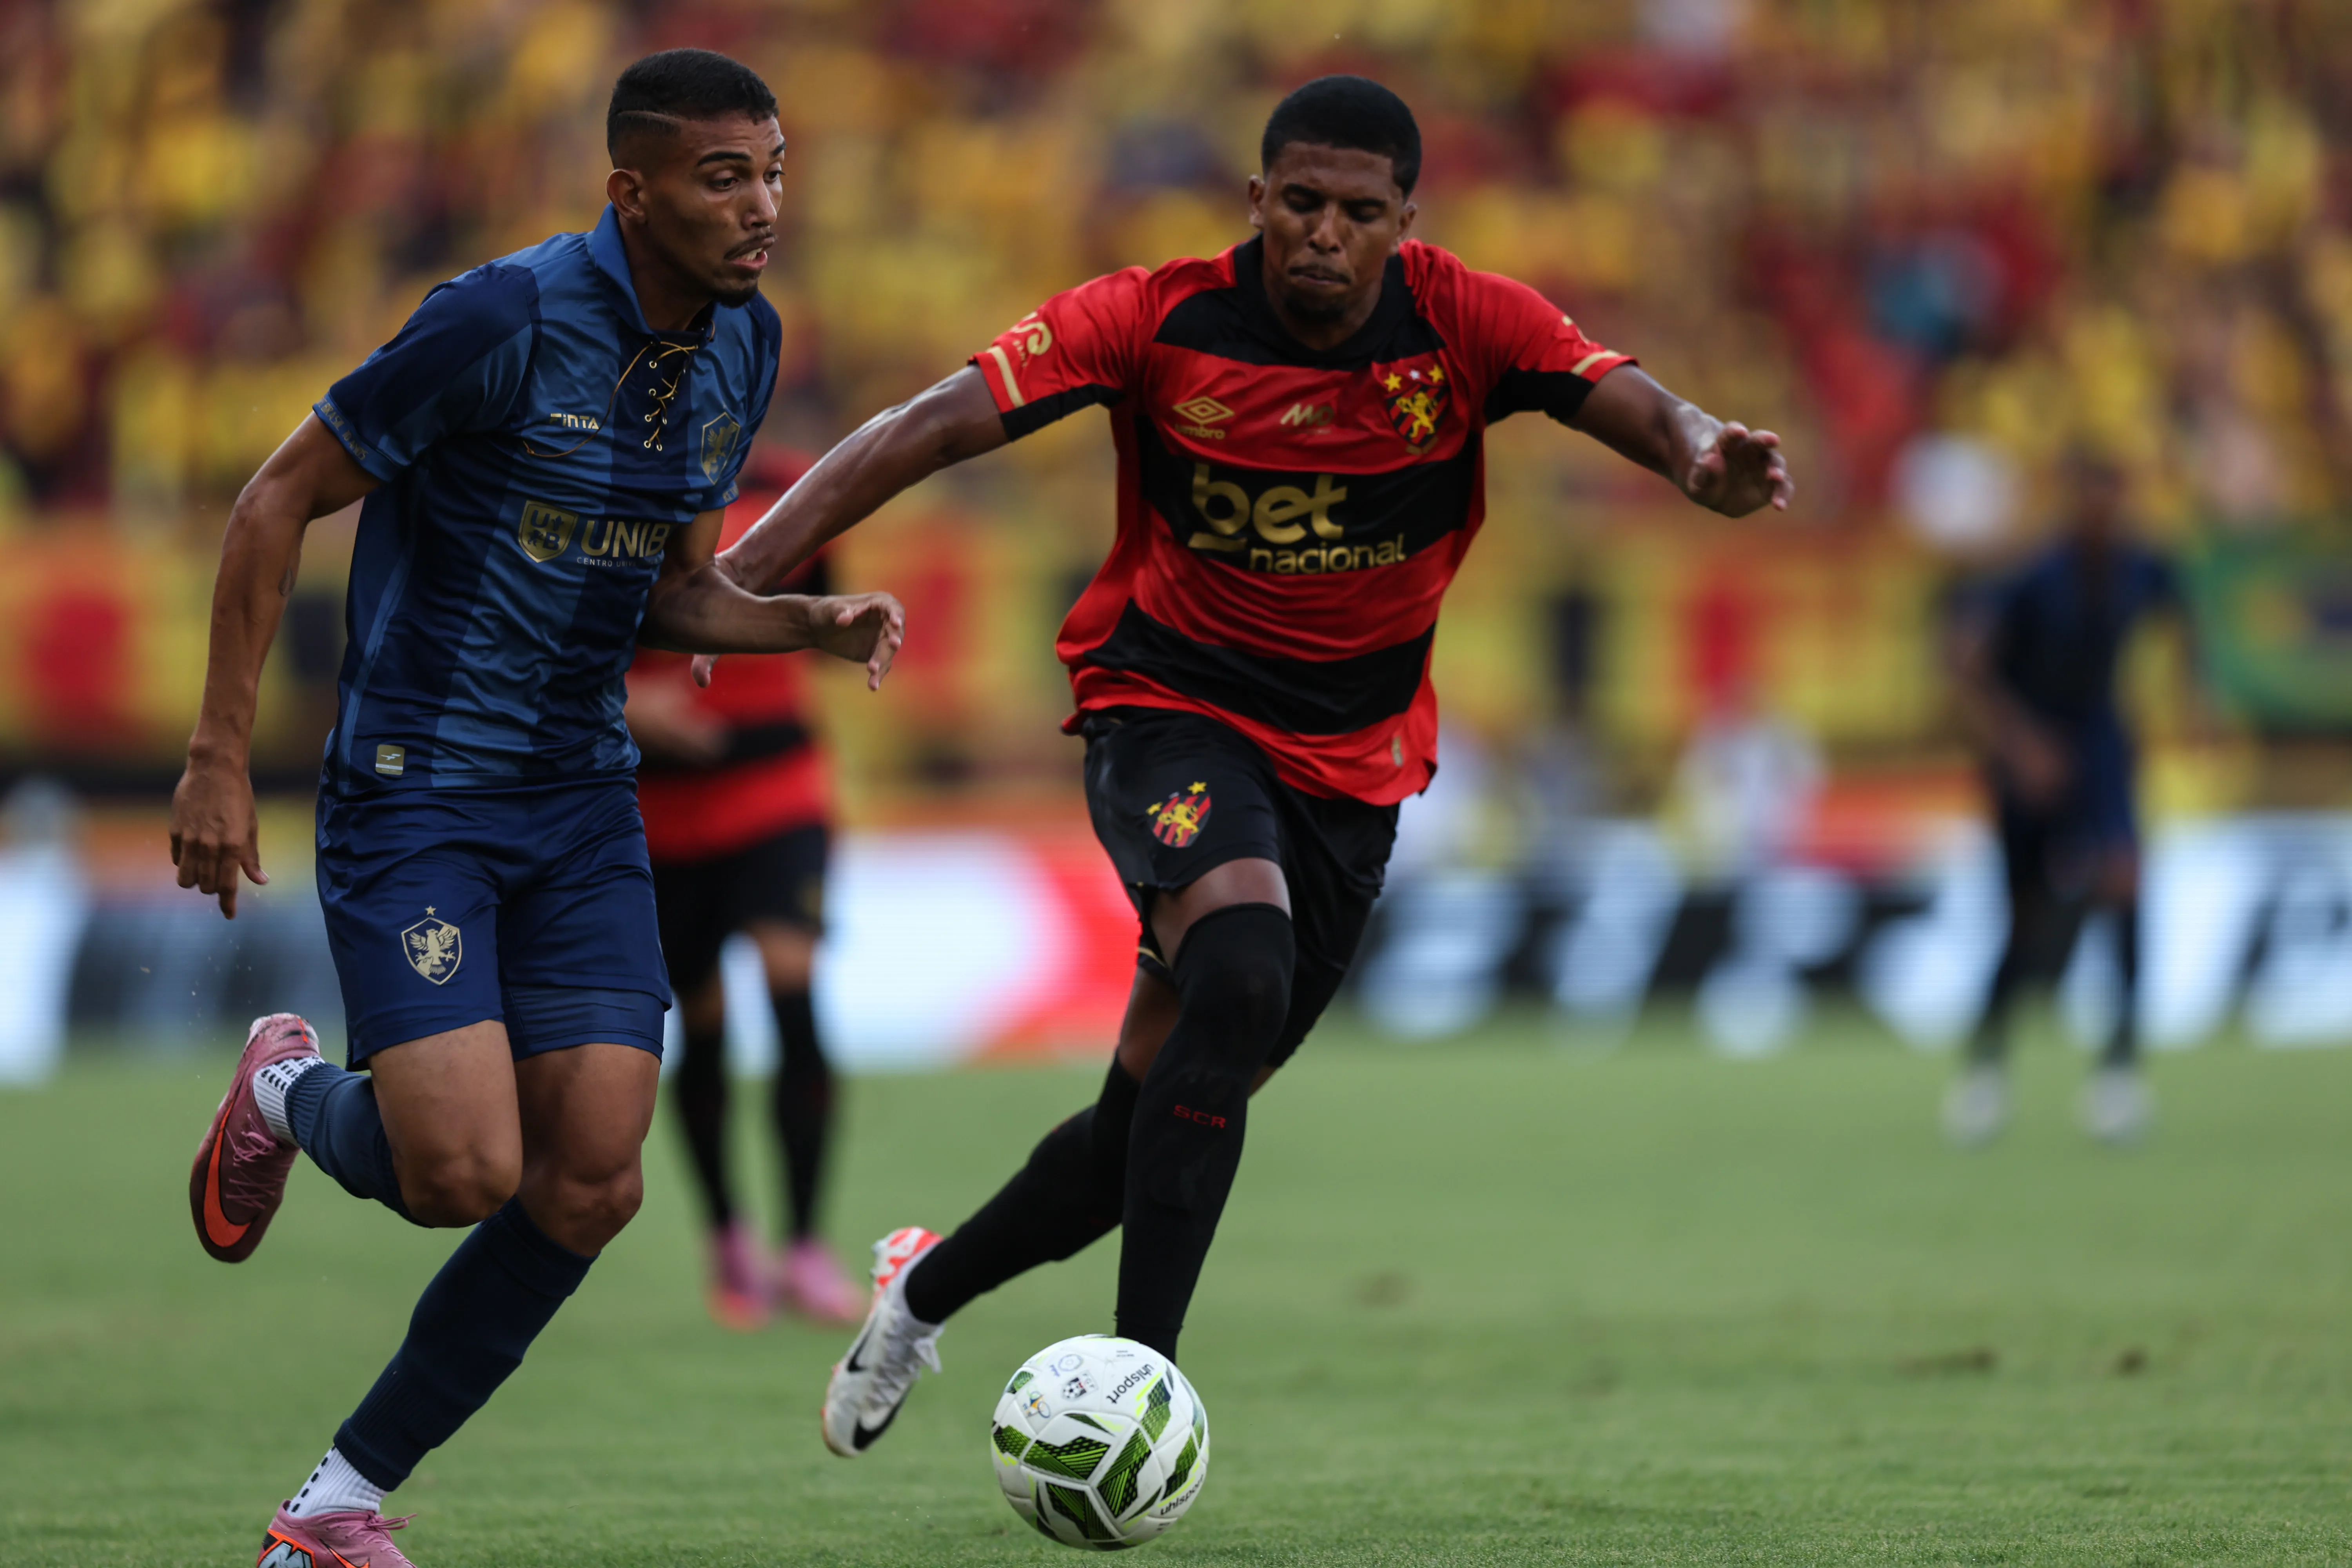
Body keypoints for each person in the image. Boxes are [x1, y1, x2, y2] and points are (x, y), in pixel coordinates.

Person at [697, 75, 1793, 1458]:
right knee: (1243, 961)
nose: (1324, 235)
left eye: (1358, 211)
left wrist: (1706, 459)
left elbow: (1629, 400)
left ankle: (920, 1293)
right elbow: (925, 426)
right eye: (1300, 203)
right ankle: (1139, 1391)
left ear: (1406, 219)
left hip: (1352, 772)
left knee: (1142, 1131)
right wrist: (736, 581)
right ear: (1256, 201)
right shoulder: (1153, 317)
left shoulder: (1464, 321)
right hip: (1168, 707)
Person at [169, 51, 902, 1568]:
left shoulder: (743, 346)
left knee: (594, 1175)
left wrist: (807, 625)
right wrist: (219, 755)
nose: (761, 204)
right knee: (461, 1173)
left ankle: (332, 1508)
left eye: (773, 169)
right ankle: (287, 1098)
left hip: (579, 798)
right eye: (723, 176)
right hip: (419, 786)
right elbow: (274, 498)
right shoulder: (499, 319)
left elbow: (683, 591)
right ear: (629, 191)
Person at [627, 446, 865, 1329]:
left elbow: (821, 605)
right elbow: (541, 638)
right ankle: (730, 1237)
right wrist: (620, 702)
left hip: (778, 792)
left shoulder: (791, 488)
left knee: (793, 985)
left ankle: (805, 1243)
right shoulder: (605, 492)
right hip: (664, 811)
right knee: (704, 1020)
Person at [1943, 453, 2192, 1148]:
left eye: (2112, 498)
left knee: (2124, 882)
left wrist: (2193, 701)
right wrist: (2021, 746)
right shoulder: (2034, 581)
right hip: (2033, 750)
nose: (2102, 513)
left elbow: (2184, 620)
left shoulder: (2142, 568)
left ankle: (2120, 1072)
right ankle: (1986, 1067)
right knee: (2026, 922)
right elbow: (1968, 667)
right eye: (2090, 498)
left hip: (2101, 743)